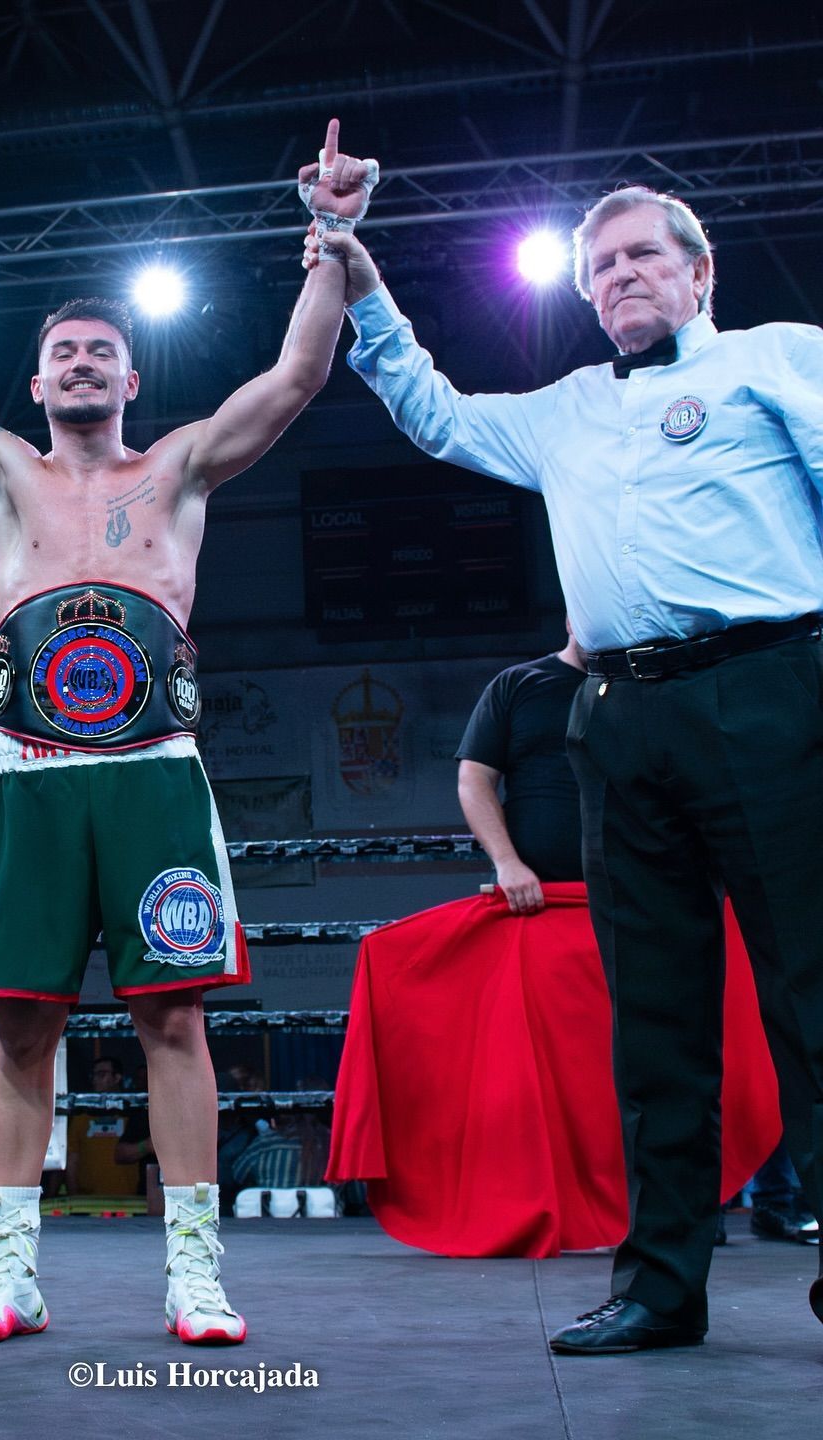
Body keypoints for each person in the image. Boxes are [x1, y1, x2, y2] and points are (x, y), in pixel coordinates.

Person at [0, 108, 364, 1346]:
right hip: (23, 772)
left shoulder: (180, 466)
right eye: (63, 354)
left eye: (102, 354)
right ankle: (9, 1272)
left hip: (155, 773)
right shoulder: (2, 471)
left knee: (173, 1018)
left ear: (133, 379)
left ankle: (195, 1271)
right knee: (24, 1020)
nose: (82, 366)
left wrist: (332, 232)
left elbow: (296, 378)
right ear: (35, 381)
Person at [309, 161, 823, 1354]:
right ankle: (659, 1288)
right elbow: (431, 411)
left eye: (644, 255)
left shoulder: (778, 357)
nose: (621, 276)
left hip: (771, 692)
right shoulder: (569, 407)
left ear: (700, 272)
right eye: (601, 266)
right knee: (653, 1022)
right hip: (622, 719)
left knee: (811, 997)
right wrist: (362, 275)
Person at [456, 624, 587, 914]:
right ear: (570, 620)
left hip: (624, 891)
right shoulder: (518, 683)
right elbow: (474, 779)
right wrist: (507, 863)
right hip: (530, 891)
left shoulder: (634, 690)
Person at [64, 1056, 151, 1198]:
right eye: (94, 1075)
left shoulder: (135, 1115)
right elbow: (72, 1160)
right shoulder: (81, 1117)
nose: (95, 1079)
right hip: (88, 1203)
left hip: (131, 1202)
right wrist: (74, 1199)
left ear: (117, 1077)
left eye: (102, 1074)